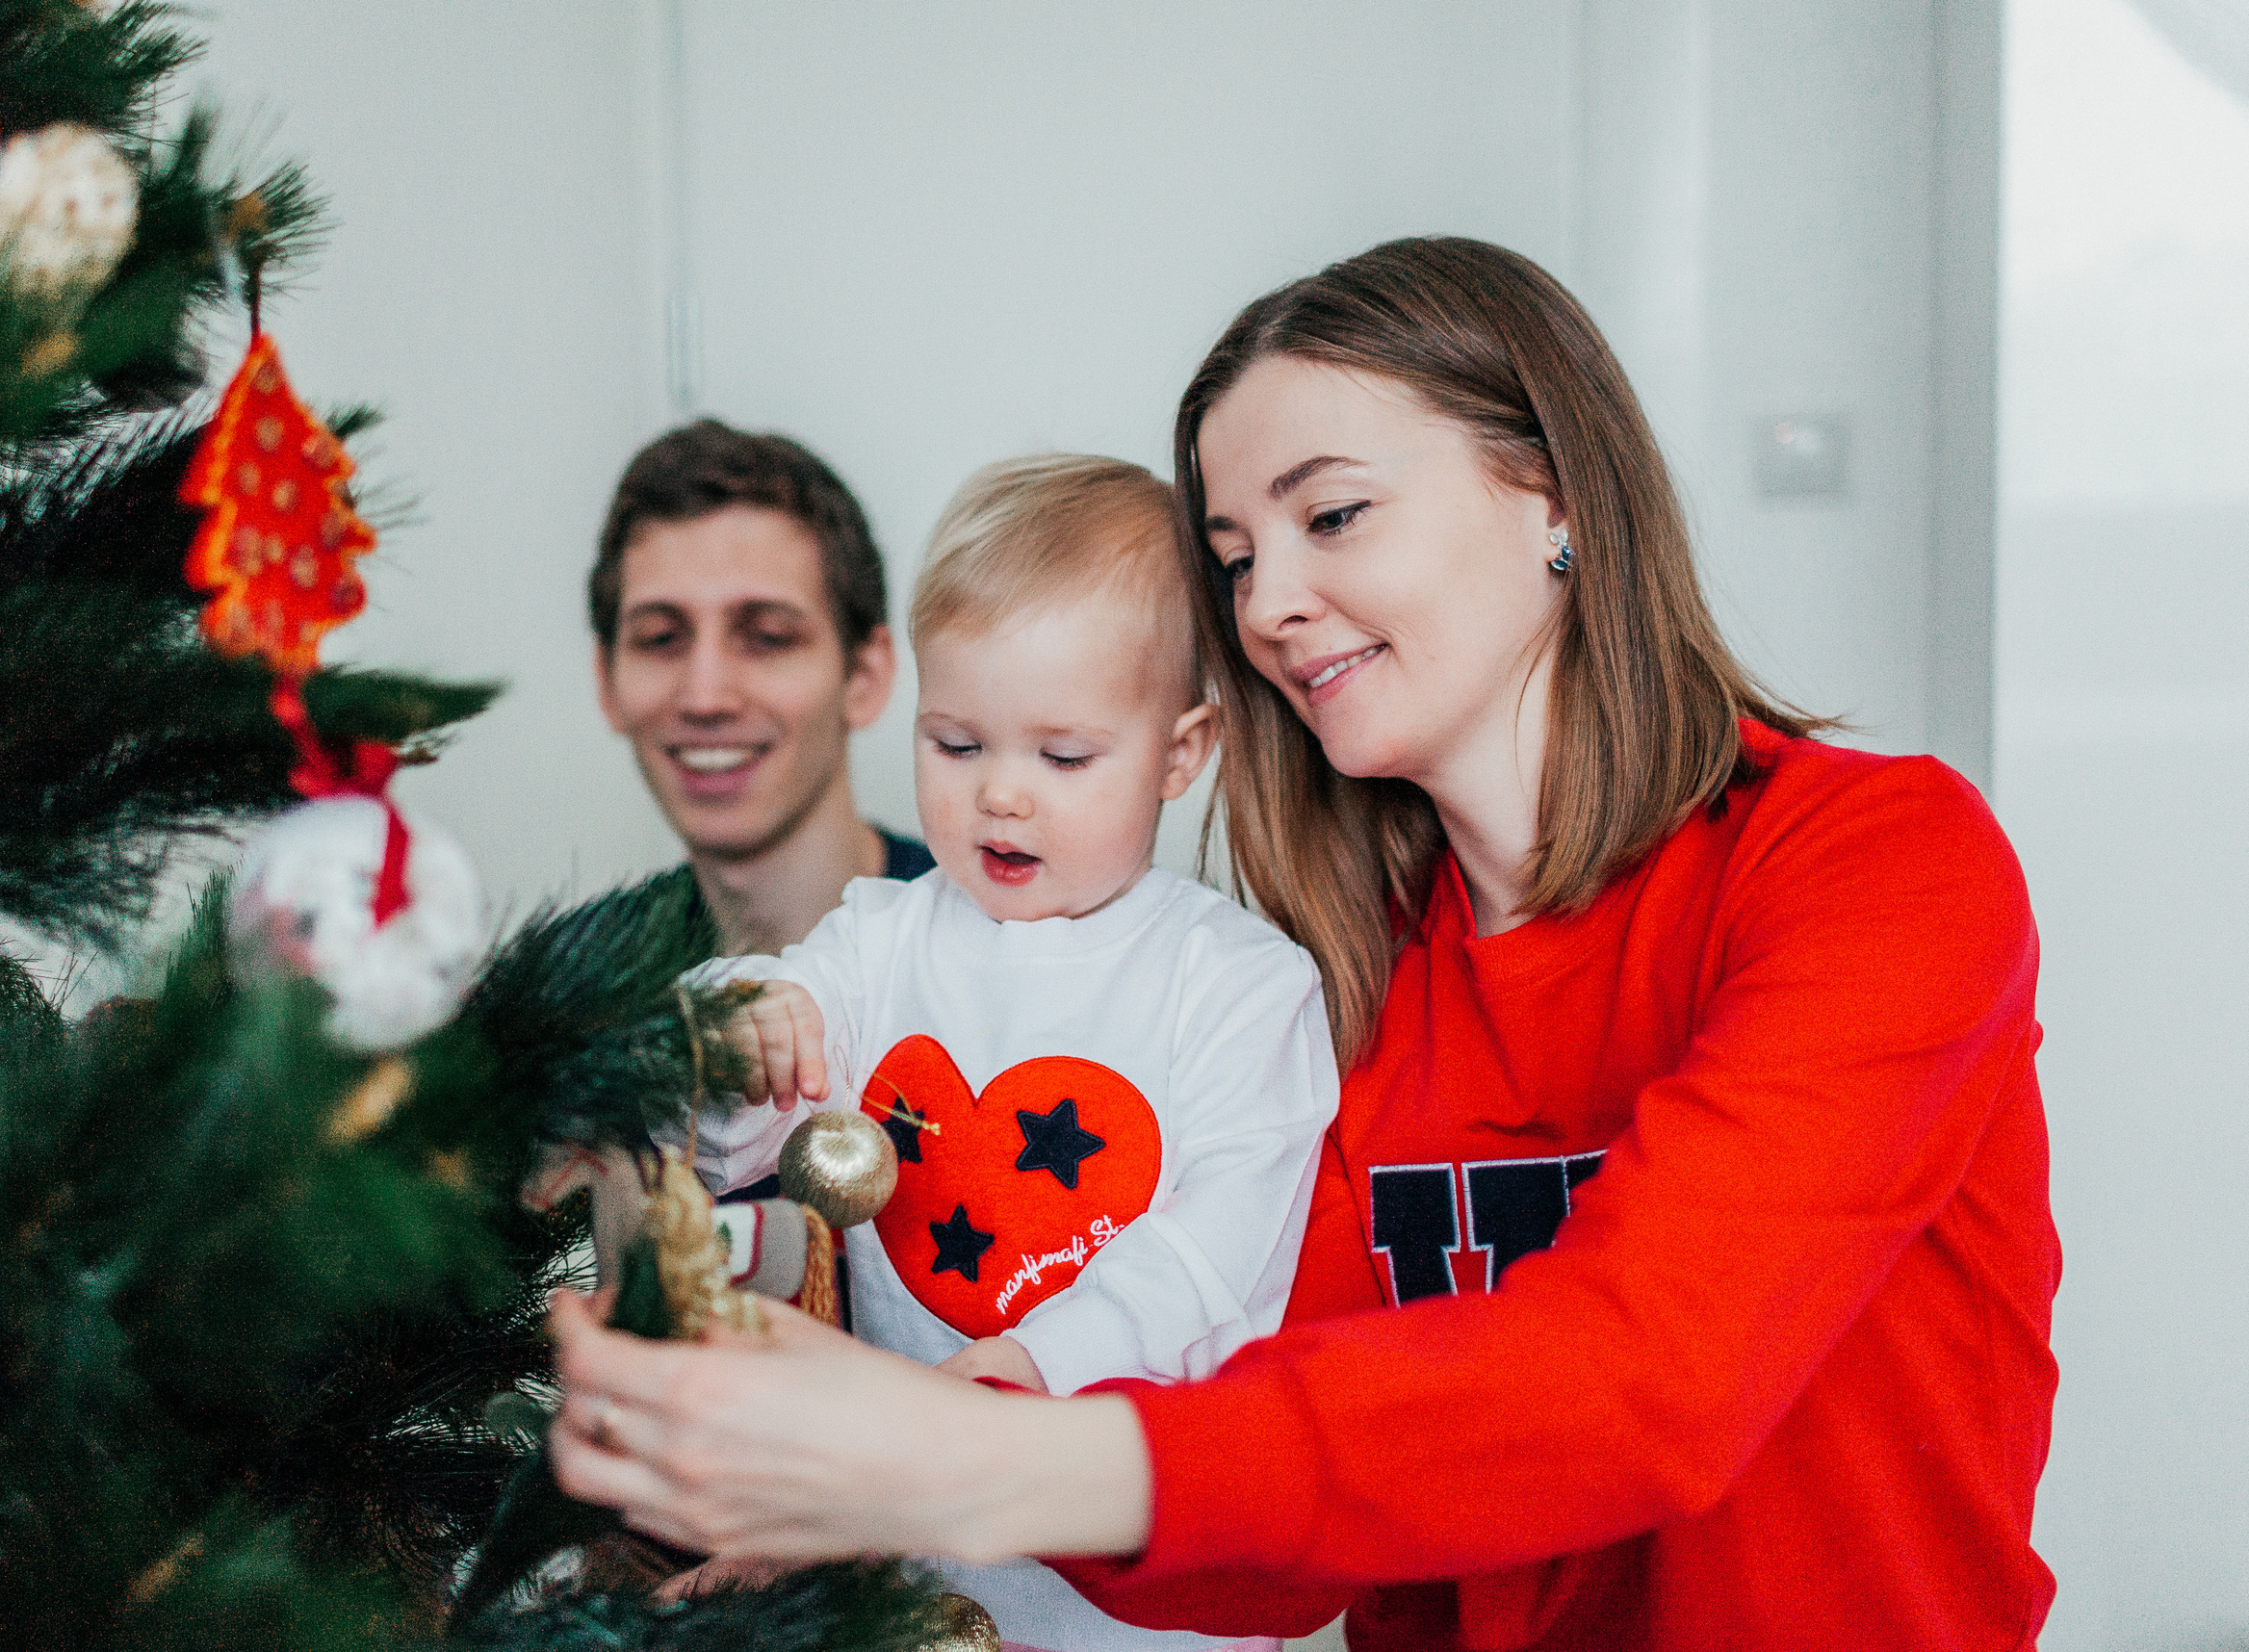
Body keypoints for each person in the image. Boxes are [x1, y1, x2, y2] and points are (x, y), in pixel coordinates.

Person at [547, 239, 2059, 1651]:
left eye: (1330, 516)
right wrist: (882, 1472)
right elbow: (1272, 1532)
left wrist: (961, 1459)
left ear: (1554, 497)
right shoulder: (1343, 983)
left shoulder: (1878, 861)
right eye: (1233, 556)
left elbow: (1650, 1375)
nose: (1268, 604)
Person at [682, 456, 1336, 1652]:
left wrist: (1034, 1362)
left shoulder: (1239, 983)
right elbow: (732, 1133)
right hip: (899, 1557)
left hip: (1140, 1591)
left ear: (1180, 752)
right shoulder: (879, 939)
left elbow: (1222, 1257)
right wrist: (745, 1028)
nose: (1001, 798)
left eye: (1063, 757)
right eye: (956, 744)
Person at [590, 418, 931, 962]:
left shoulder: (1005, 956)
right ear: (606, 682)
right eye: (660, 639)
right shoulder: (565, 986)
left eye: (768, 637)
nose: (705, 698)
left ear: (865, 677)